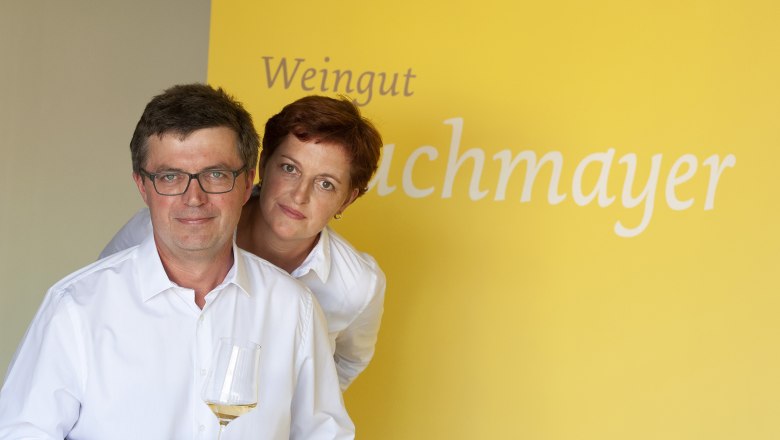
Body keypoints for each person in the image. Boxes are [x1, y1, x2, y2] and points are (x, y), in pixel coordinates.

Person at [0, 84, 354, 439]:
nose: (194, 198)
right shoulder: (76, 309)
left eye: (216, 174)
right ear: (142, 186)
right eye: (170, 177)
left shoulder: (295, 310)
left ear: (247, 183)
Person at [100, 95, 386, 391]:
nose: (299, 195)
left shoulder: (357, 285)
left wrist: (296, 406)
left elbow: (346, 363)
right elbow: (100, 303)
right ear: (262, 165)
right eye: (289, 169)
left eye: (326, 184)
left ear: (347, 199)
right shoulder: (168, 228)